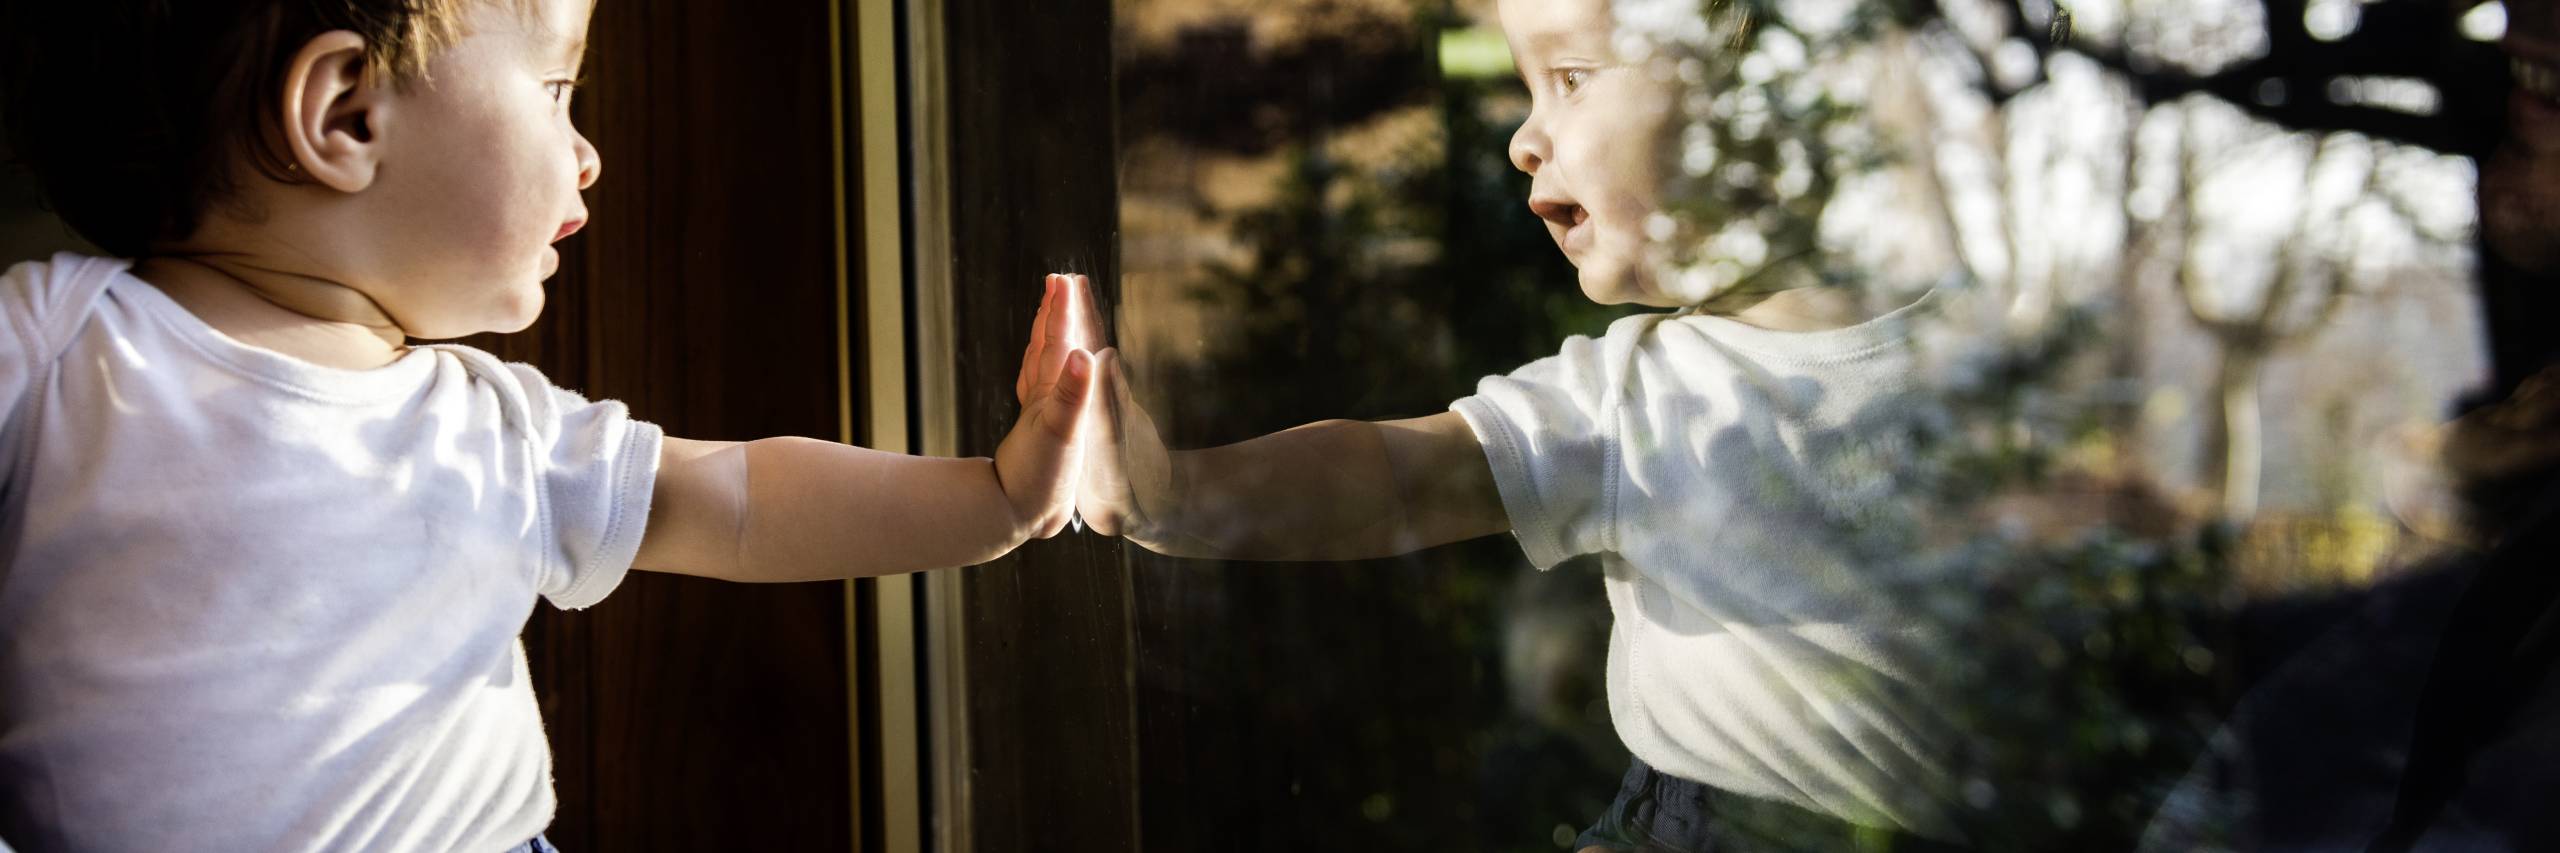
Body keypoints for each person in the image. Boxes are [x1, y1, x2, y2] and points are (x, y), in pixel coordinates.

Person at [0, 1, 1096, 849]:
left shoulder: (499, 431)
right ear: (348, 114)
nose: (588, 154)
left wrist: (991, 497)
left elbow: (739, 497)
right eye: (558, 87)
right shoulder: (54, 338)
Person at [1073, 0, 1966, 845]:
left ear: (1763, 88)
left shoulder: (1992, 341)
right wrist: (1179, 493)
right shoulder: (1634, 396)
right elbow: (1398, 474)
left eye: (1571, 77)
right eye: (1531, 87)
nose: (1523, 139)